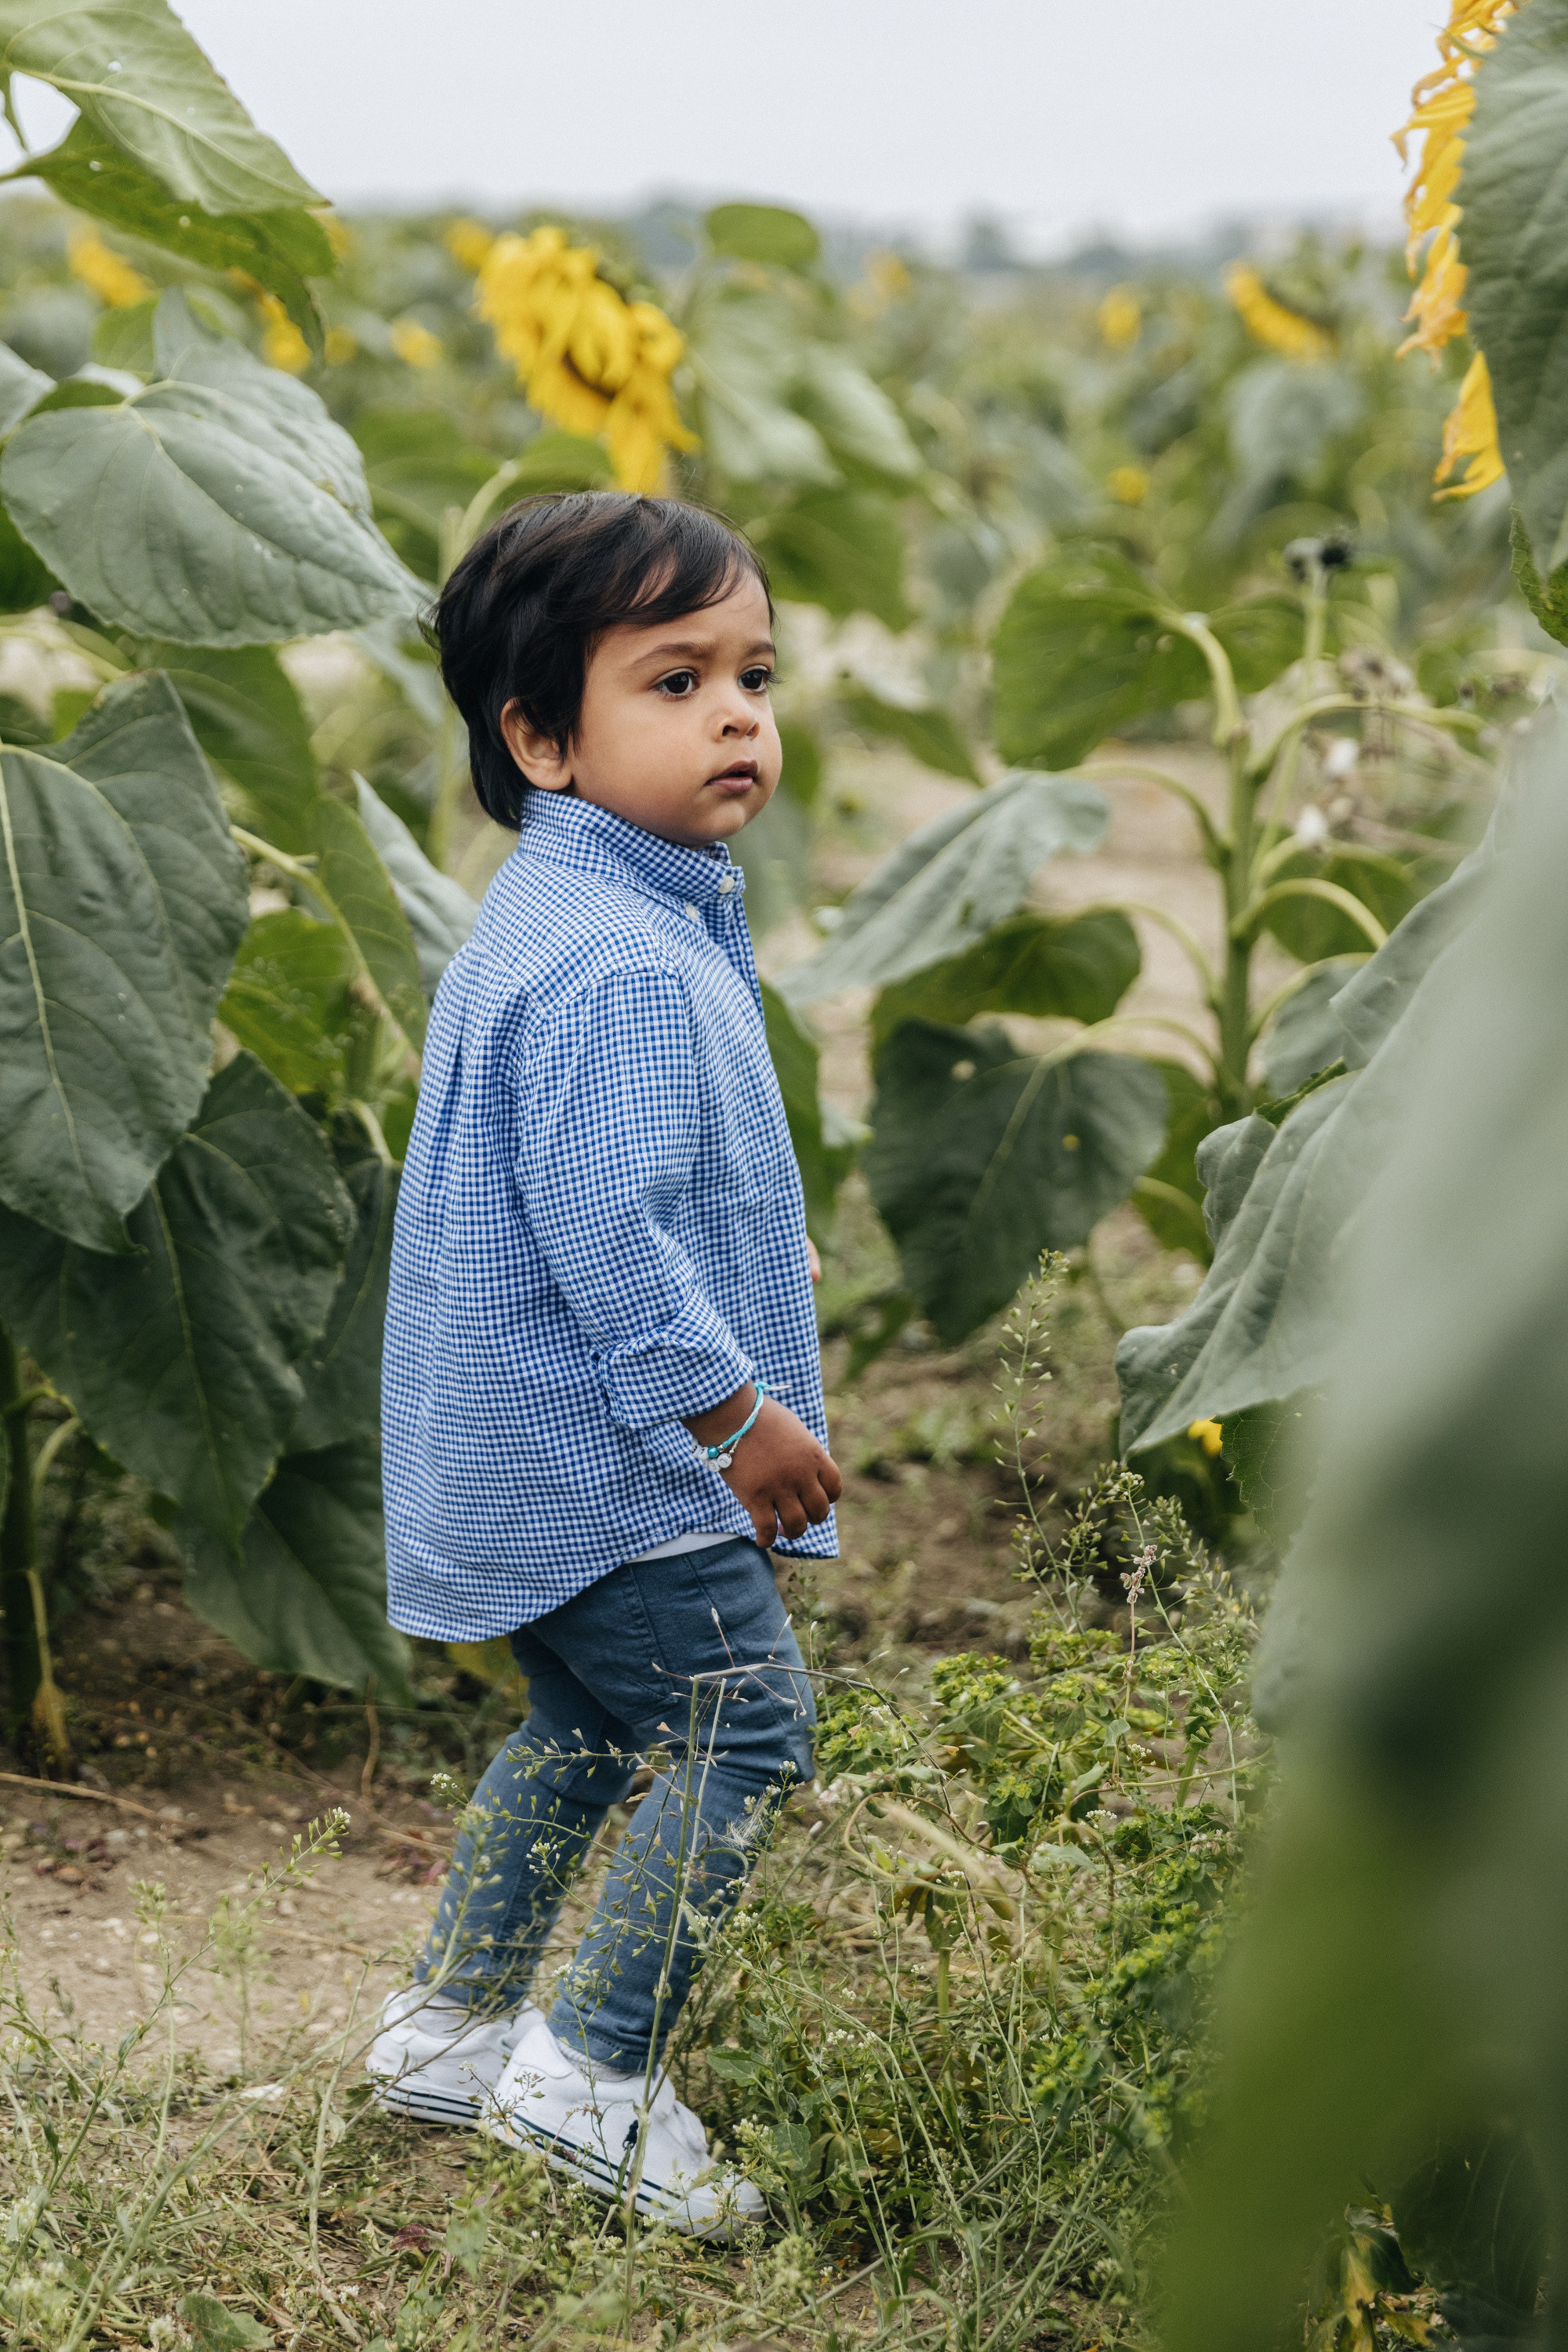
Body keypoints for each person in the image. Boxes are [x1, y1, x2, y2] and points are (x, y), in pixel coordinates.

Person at [368, 491, 842, 2237]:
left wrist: (745, 1252)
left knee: (579, 1721)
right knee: (745, 1726)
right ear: (540, 737)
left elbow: (607, 1180)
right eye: (674, 679)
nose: (735, 713)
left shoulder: (572, 913)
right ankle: (591, 2071)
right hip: (615, 1456)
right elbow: (598, 1223)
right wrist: (733, 1413)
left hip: (515, 1437)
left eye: (754, 673)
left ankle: (447, 2029)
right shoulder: (622, 965)